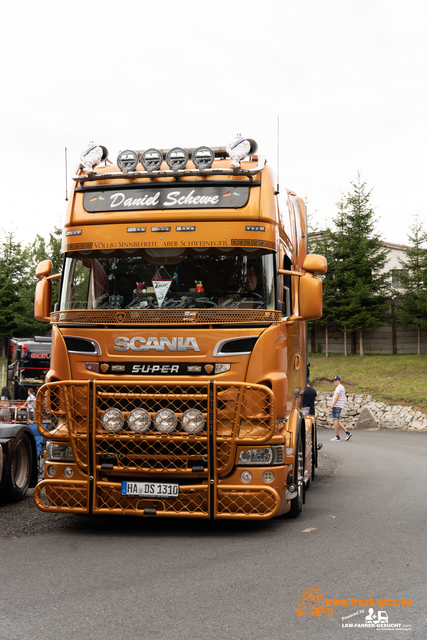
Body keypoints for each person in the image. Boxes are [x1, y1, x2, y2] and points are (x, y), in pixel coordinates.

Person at [329, 376, 352, 441]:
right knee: (337, 420)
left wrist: (332, 406)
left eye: (336, 380)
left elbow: (336, 397)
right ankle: (347, 432)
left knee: (335, 420)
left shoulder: (339, 388)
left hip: (336, 406)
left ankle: (337, 436)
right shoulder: (342, 387)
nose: (334, 382)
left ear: (339, 380)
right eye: (334, 380)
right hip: (339, 406)